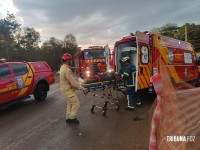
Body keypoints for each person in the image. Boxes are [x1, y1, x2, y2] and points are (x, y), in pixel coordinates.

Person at [60, 53, 85, 124]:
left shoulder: (63, 68)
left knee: (70, 104)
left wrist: (77, 82)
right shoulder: (67, 71)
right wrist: (82, 88)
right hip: (68, 90)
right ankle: (71, 118)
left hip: (65, 90)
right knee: (76, 103)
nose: (71, 62)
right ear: (68, 61)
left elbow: (71, 79)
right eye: (70, 61)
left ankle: (68, 117)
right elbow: (73, 82)